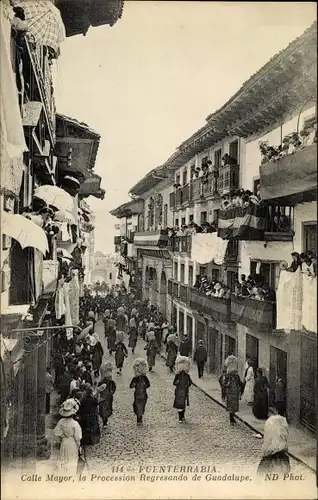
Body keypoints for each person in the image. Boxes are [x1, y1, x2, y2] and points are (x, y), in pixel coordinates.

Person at [53, 398, 82, 475]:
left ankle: (63, 474)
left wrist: (62, 436)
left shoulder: (61, 422)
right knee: (72, 459)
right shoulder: (75, 424)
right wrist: (79, 446)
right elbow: (78, 437)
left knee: (64, 458)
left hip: (65, 441)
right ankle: (71, 474)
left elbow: (56, 432)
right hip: (72, 443)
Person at [78, 384, 100, 468]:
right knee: (90, 430)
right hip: (91, 418)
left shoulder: (83, 399)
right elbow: (97, 402)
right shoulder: (93, 399)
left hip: (84, 418)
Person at [129, 358, 150, 426]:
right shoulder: (135, 378)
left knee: (141, 406)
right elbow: (130, 386)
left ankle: (140, 416)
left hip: (143, 395)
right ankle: (139, 418)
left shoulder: (145, 378)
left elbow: (148, 385)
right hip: (137, 395)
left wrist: (145, 385)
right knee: (137, 406)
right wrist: (133, 384)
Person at [173, 356, 192, 423]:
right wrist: (177, 383)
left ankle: (182, 417)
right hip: (179, 391)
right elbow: (174, 383)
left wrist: (186, 386)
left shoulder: (187, 375)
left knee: (182, 404)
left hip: (183, 392)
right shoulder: (178, 375)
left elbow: (190, 382)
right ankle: (180, 418)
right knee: (180, 404)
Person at [224, 356, 242, 425]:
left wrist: (240, 390)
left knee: (234, 407)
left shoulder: (237, 377)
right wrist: (227, 385)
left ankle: (232, 417)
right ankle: (231, 419)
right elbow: (224, 384)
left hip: (235, 393)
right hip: (230, 393)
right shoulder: (228, 377)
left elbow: (240, 383)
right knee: (231, 407)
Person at [98, 362, 116, 428]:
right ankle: (104, 420)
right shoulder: (101, 382)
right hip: (103, 397)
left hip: (108, 397)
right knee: (102, 410)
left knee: (107, 409)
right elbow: (98, 389)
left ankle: (105, 421)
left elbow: (114, 387)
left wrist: (111, 392)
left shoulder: (111, 382)